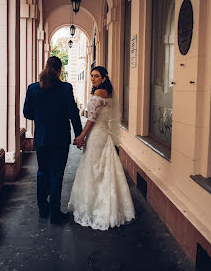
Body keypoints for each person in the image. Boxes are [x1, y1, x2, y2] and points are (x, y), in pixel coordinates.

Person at [68, 66, 135, 230]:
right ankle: (105, 204)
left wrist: (81, 136)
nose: (93, 78)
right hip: (103, 134)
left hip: (97, 135)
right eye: (91, 76)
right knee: (104, 169)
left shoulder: (99, 94)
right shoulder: (108, 93)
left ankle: (96, 206)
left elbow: (91, 119)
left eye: (96, 76)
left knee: (95, 169)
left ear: (104, 78)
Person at [23, 56, 82, 224]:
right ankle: (55, 213)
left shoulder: (33, 88)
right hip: (60, 139)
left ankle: (43, 209)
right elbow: (73, 113)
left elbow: (27, 113)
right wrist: (79, 135)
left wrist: (41, 116)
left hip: (41, 138)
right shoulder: (65, 88)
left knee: (42, 173)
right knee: (57, 175)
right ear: (59, 71)